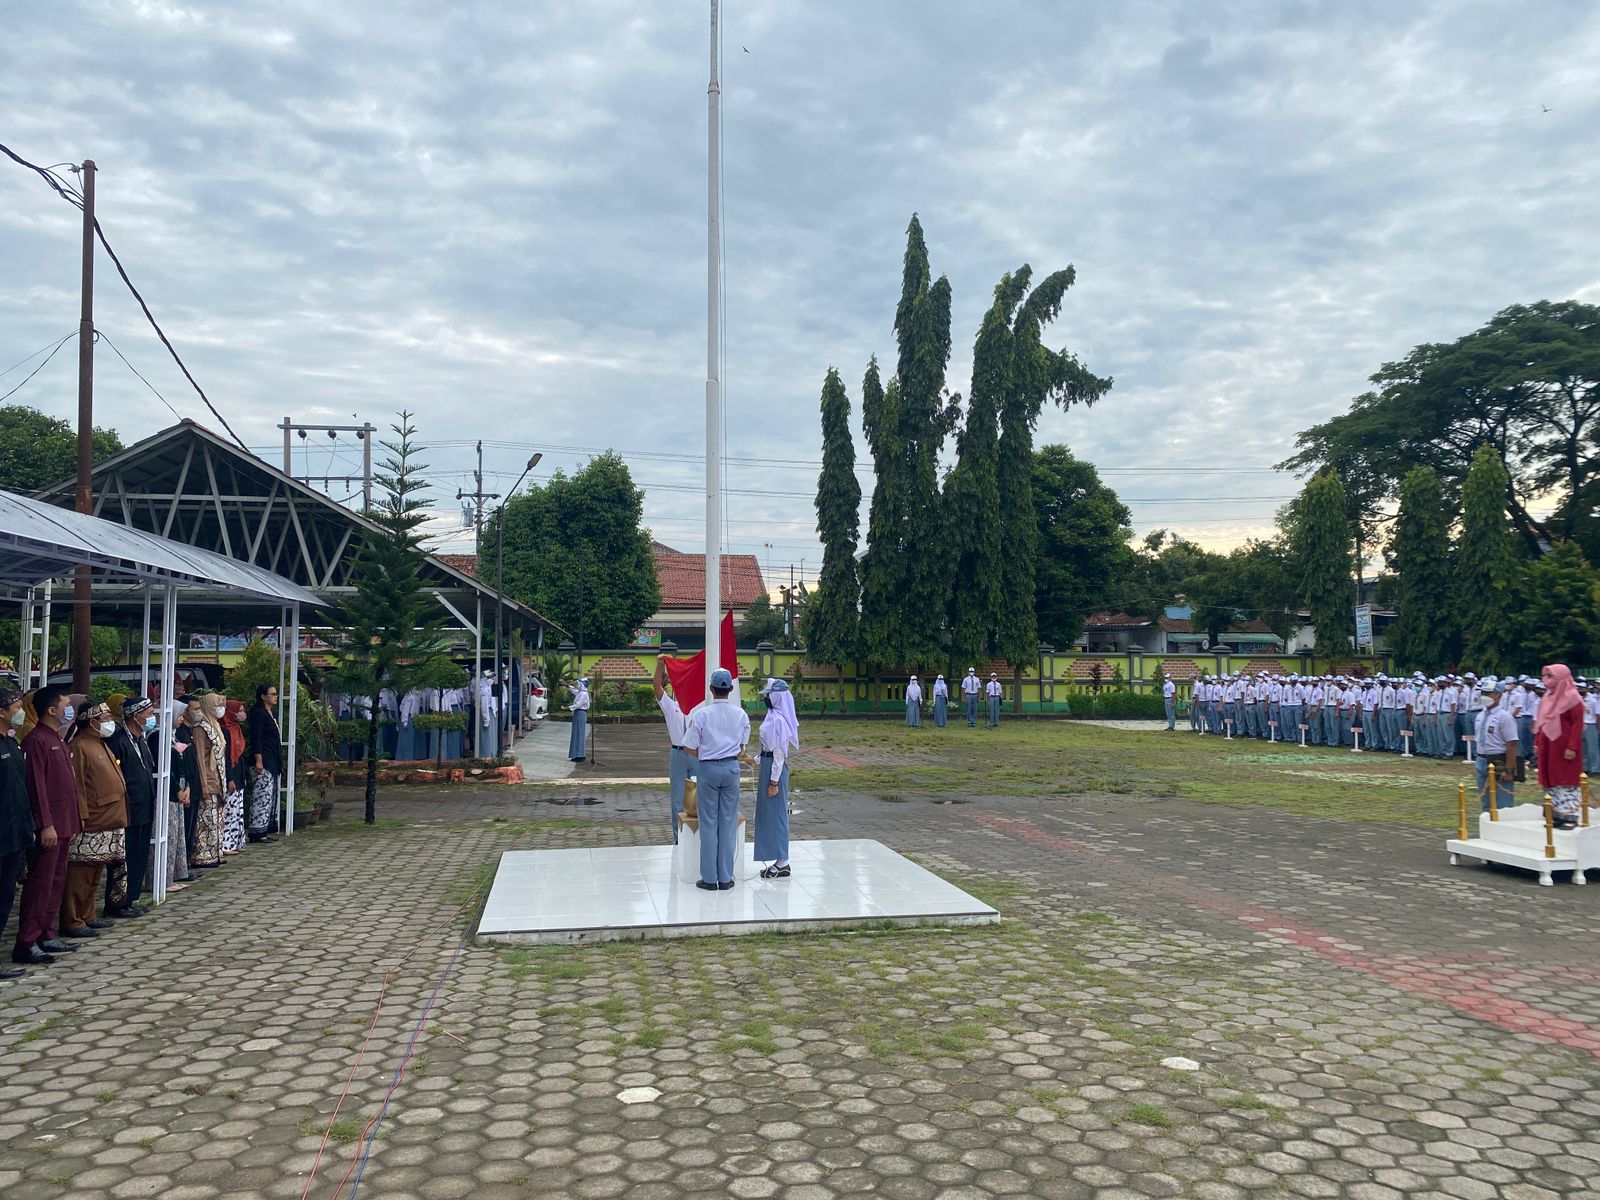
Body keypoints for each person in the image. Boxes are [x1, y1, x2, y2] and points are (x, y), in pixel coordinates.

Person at [13, 687, 82, 966]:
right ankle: (27, 941)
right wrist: (45, 824)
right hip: (51, 825)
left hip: (65, 821)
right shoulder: (37, 740)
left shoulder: (57, 738)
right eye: (66, 705)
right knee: (40, 883)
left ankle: (46, 932)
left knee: (55, 881)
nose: (70, 710)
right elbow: (37, 787)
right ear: (51, 710)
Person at [61, 703, 129, 937]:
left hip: (108, 819)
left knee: (96, 872)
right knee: (81, 874)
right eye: (106, 716)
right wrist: (80, 817)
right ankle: (73, 919)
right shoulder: (79, 746)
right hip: (91, 822)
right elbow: (76, 786)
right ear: (91, 722)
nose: (110, 721)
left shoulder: (99, 743)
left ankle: (88, 914)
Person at [681, 667, 749, 891]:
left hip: (708, 770)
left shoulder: (702, 715)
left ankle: (709, 879)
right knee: (728, 823)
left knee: (708, 823)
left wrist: (707, 754)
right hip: (731, 768)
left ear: (711, 689)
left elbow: (688, 747)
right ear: (730, 689)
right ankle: (726, 878)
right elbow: (741, 746)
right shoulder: (740, 714)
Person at [104, 697, 157, 917]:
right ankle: (117, 901)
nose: (152, 718)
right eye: (149, 713)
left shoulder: (140, 739)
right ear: (136, 716)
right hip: (128, 808)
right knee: (124, 857)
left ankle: (130, 898)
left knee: (139, 855)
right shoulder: (119, 741)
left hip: (144, 807)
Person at [0, 689, 37, 979]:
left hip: (15, 834)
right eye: (15, 706)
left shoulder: (11, 743)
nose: (19, 710)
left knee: (5, 897)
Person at [752, 678, 799, 879]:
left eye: (768, 695)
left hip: (774, 772)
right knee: (768, 814)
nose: (766, 698)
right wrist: (754, 760)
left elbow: (778, 754)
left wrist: (773, 782)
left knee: (777, 814)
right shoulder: (773, 716)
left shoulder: (778, 720)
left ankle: (783, 862)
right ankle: (778, 859)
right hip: (768, 766)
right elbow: (767, 751)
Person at [1536, 664, 1586, 829]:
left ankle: (1570, 816)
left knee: (1565, 780)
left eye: (1551, 677)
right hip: (1549, 745)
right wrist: (1537, 741)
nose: (1546, 680)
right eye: (1546, 676)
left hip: (1564, 747)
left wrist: (1571, 746)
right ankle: (1555, 815)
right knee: (1551, 778)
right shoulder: (1548, 697)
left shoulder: (1572, 698)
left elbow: (1577, 724)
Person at [652, 657, 689, 843]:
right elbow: (657, 686)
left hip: (697, 754)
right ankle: (679, 839)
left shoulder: (698, 708)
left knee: (699, 797)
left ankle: (696, 837)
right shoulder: (670, 706)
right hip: (678, 754)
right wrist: (660, 664)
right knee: (678, 800)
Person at [188, 693, 227, 869]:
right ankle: (203, 855)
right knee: (206, 819)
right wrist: (203, 783)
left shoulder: (215, 725)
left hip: (219, 777)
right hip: (208, 779)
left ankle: (216, 852)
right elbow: (199, 758)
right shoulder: (200, 728)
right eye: (217, 704)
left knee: (217, 817)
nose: (220, 708)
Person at [1473, 682, 1518, 812]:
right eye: (1483, 693)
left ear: (1498, 695)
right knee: (1485, 800)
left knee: (1503, 802)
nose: (1484, 696)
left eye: (1488, 693)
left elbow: (1512, 744)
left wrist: (1509, 769)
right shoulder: (1480, 716)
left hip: (1499, 759)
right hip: (1482, 759)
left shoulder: (1505, 716)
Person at [247, 684, 281, 843]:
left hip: (272, 759)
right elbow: (257, 737)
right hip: (263, 760)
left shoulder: (270, 714)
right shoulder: (259, 714)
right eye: (272, 694)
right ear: (263, 696)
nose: (275, 696)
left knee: (269, 795)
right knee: (261, 795)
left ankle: (265, 829)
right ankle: (257, 831)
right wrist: (258, 759)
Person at [220, 699, 248, 854]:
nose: (242, 714)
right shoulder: (225, 730)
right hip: (232, 774)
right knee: (230, 811)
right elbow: (227, 756)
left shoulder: (236, 729)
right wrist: (230, 778)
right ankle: (227, 844)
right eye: (238, 710)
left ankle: (237, 841)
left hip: (239, 773)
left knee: (238, 810)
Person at [567, 676, 590, 762]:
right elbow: (575, 691)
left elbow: (578, 704)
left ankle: (580, 755)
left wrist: (567, 708)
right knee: (576, 733)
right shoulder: (580, 692)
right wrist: (569, 686)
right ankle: (575, 754)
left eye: (579, 683)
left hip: (580, 712)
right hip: (577, 713)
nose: (578, 685)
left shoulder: (584, 694)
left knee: (579, 733)